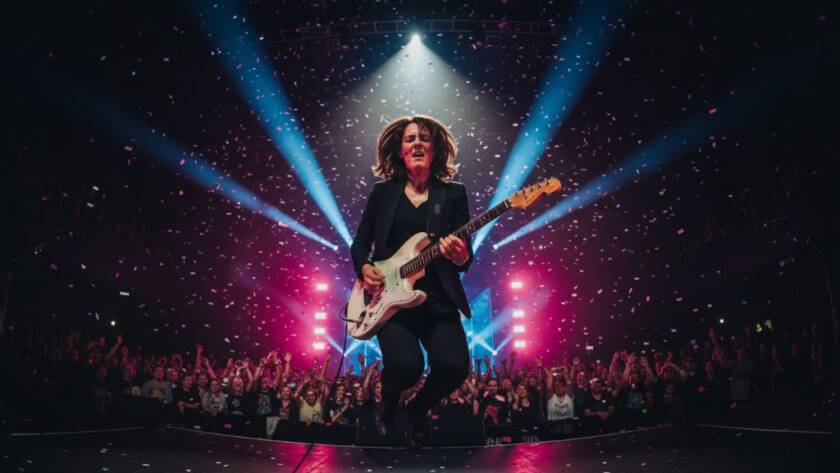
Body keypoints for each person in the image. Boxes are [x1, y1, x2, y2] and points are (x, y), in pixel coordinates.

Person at [350, 115, 473, 447]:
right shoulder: (383, 193)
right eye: (410, 139)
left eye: (424, 138)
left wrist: (460, 254)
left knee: (454, 368)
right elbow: (360, 243)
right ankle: (388, 403)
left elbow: (466, 257)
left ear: (435, 149)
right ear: (400, 150)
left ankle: (418, 409)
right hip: (391, 301)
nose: (417, 143)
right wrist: (364, 267)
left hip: (438, 300)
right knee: (406, 367)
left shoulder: (453, 194)